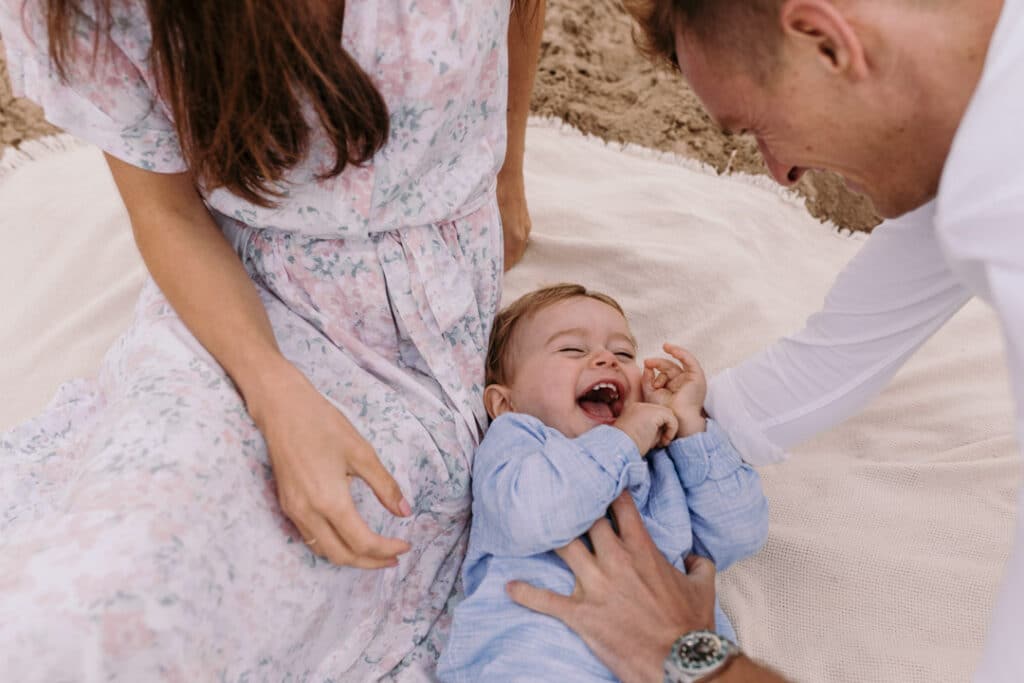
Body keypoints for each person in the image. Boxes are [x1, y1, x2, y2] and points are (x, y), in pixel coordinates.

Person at [0, 0, 543, 679]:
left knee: (345, 544)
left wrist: (509, 167)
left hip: (433, 312)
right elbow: (163, 208)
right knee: (119, 583)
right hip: (243, 296)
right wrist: (273, 388)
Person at [508, 0, 1024, 681]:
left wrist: (688, 653)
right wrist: (671, 428)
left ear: (825, 40)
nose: (780, 172)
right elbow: (828, 359)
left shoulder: (1000, 215)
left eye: (757, 127)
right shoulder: (972, 117)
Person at [435, 284, 768, 681]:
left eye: (624, 353)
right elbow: (529, 517)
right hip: (540, 657)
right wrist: (623, 439)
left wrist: (691, 429)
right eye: (572, 349)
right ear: (505, 402)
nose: (606, 358)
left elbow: (737, 536)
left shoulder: (659, 457)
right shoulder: (521, 438)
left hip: (675, 662)